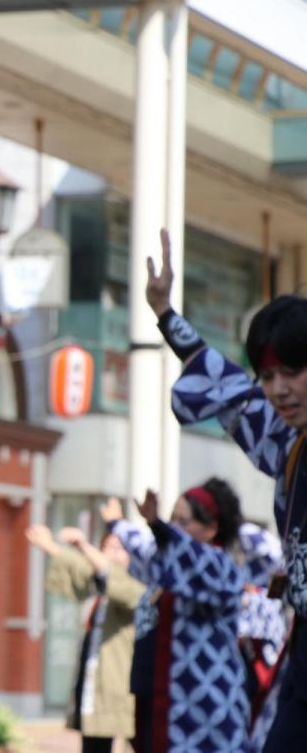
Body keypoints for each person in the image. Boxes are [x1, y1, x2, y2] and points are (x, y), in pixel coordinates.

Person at [145, 228, 307, 750]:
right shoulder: (290, 444)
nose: (278, 388)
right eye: (268, 374)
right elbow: (230, 388)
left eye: (293, 371)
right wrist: (167, 316)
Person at [102, 483, 248, 753]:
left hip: (206, 704)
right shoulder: (170, 564)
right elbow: (146, 554)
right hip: (162, 697)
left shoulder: (220, 566)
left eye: (184, 521)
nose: (176, 528)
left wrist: (155, 525)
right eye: (173, 519)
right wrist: (122, 525)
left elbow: (186, 557)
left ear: (212, 528)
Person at [26, 523, 143, 753]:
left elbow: (111, 576)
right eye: (107, 547)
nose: (112, 553)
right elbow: (82, 569)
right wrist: (50, 547)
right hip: (95, 683)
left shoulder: (136, 586)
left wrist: (81, 544)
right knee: (94, 744)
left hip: (124, 688)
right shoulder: (98, 589)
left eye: (119, 547)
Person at [237, 523, 288, 752]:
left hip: (262, 651)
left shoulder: (271, 561)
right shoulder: (246, 583)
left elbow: (256, 538)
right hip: (247, 650)